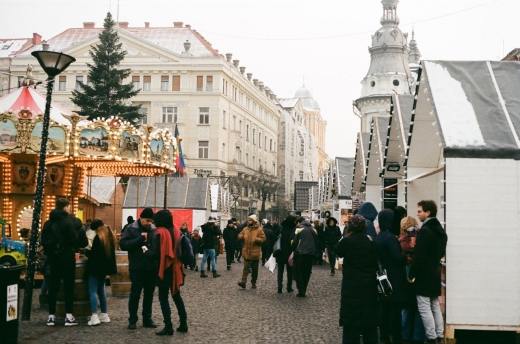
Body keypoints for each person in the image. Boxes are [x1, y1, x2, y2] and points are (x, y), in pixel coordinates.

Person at [41, 198, 88, 326]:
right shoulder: (67, 222)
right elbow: (74, 240)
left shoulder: (48, 223)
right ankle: (68, 316)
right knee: (68, 287)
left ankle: (51, 316)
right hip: (66, 258)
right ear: (66, 207)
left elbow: (43, 240)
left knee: (53, 287)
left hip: (53, 259)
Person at [334, 215, 379, 344]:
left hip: (351, 286)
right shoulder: (370, 241)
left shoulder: (347, 241)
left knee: (351, 324)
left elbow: (338, 251)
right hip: (369, 286)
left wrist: (346, 236)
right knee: (369, 324)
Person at [409, 200, 448, 344]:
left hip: (424, 274)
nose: (418, 214)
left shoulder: (425, 231)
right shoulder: (440, 231)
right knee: (435, 305)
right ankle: (439, 335)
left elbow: (419, 255)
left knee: (424, 306)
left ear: (428, 212)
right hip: (435, 271)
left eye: (419, 211)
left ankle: (431, 337)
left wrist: (412, 274)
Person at [144, 210, 188, 336]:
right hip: (176, 267)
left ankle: (168, 326)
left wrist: (145, 250)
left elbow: (156, 254)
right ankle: (183, 323)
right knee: (176, 296)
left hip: (165, 268)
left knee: (163, 297)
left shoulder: (161, 233)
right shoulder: (175, 229)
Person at [119, 207, 158, 330]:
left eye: (151, 221)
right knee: (135, 294)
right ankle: (132, 319)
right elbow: (123, 245)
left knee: (149, 294)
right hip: (137, 267)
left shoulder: (154, 230)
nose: (149, 223)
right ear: (140, 218)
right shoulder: (131, 229)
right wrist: (139, 240)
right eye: (147, 220)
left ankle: (147, 318)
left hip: (151, 267)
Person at [376, 210, 408, 344]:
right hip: (395, 277)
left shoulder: (380, 236)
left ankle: (383, 336)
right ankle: (396, 337)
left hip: (384, 276)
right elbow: (398, 258)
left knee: (385, 308)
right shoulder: (390, 237)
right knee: (395, 309)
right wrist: (407, 256)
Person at [84, 219, 117, 326]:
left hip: (95, 268)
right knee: (101, 291)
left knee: (92, 291)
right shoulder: (110, 236)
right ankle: (104, 314)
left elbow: (94, 255)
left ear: (97, 229)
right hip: (104, 268)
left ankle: (94, 315)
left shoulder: (99, 238)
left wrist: (86, 252)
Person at [399, 216, 425, 344]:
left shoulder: (401, 241)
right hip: (419, 275)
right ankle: (418, 336)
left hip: (406, 275)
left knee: (406, 308)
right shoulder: (420, 240)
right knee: (419, 307)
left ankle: (404, 335)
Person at [237, 214, 266, 289]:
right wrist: (241, 236)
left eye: (250, 220)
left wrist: (256, 239)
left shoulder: (259, 229)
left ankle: (253, 282)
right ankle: (243, 282)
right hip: (246, 251)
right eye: (248, 220)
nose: (248, 221)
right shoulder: (245, 229)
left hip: (255, 252)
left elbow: (263, 239)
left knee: (254, 269)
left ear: (253, 221)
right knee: (245, 268)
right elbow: (240, 235)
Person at [291, 217, 317, 297]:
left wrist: (293, 249)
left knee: (298, 272)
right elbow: (316, 241)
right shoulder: (313, 230)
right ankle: (304, 289)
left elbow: (294, 242)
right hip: (310, 254)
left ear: (299, 222)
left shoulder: (299, 229)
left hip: (300, 253)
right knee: (307, 272)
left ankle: (301, 290)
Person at [275, 214, 296, 293]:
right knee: (289, 270)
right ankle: (289, 287)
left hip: (280, 251)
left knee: (280, 270)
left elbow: (275, 236)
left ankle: (279, 287)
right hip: (290, 252)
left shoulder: (281, 228)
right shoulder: (294, 229)